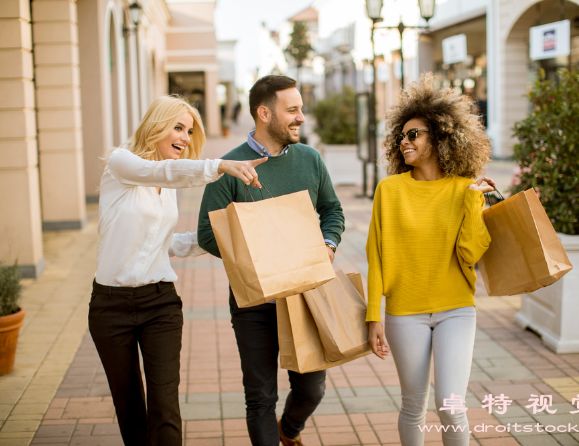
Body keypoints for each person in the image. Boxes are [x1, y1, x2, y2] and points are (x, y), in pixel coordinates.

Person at [89, 95, 266, 446]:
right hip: (110, 308)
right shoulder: (121, 163)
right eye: (178, 127)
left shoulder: (166, 188)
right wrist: (219, 166)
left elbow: (166, 243)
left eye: (189, 131)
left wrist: (225, 235)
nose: (185, 138)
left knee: (165, 405)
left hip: (160, 304)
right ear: (156, 125)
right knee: (129, 408)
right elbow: (158, 172)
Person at [197, 75, 345, 446]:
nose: (301, 117)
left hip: (304, 295)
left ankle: (290, 430)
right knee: (260, 397)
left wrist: (328, 244)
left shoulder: (310, 159)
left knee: (313, 389)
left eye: (301, 109)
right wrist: (256, 257)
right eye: (292, 110)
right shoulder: (228, 167)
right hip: (254, 302)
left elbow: (332, 210)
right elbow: (205, 233)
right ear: (264, 113)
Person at [366, 73, 494, 446]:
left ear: (440, 137)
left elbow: (470, 254)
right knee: (413, 405)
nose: (404, 142)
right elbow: (377, 256)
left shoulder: (464, 189)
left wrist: (473, 202)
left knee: (450, 403)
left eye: (414, 134)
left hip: (457, 308)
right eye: (401, 136)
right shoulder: (388, 190)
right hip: (405, 312)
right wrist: (374, 314)